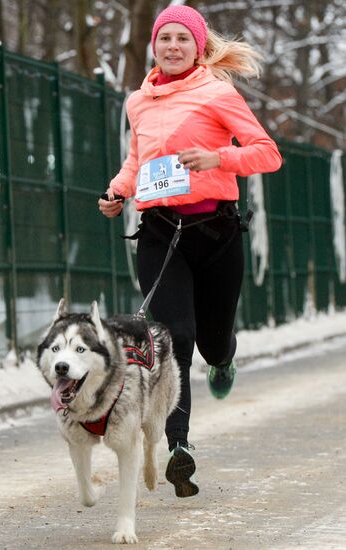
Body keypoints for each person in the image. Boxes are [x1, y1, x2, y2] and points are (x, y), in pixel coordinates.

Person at [98, 5, 282, 498]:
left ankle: (224, 360)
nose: (173, 47)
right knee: (173, 334)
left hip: (216, 230)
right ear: (154, 47)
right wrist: (117, 192)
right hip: (160, 230)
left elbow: (268, 153)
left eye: (183, 39)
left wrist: (218, 157)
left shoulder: (218, 93)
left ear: (198, 47)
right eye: (165, 39)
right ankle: (180, 446)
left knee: (211, 340)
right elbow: (138, 159)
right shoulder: (139, 101)